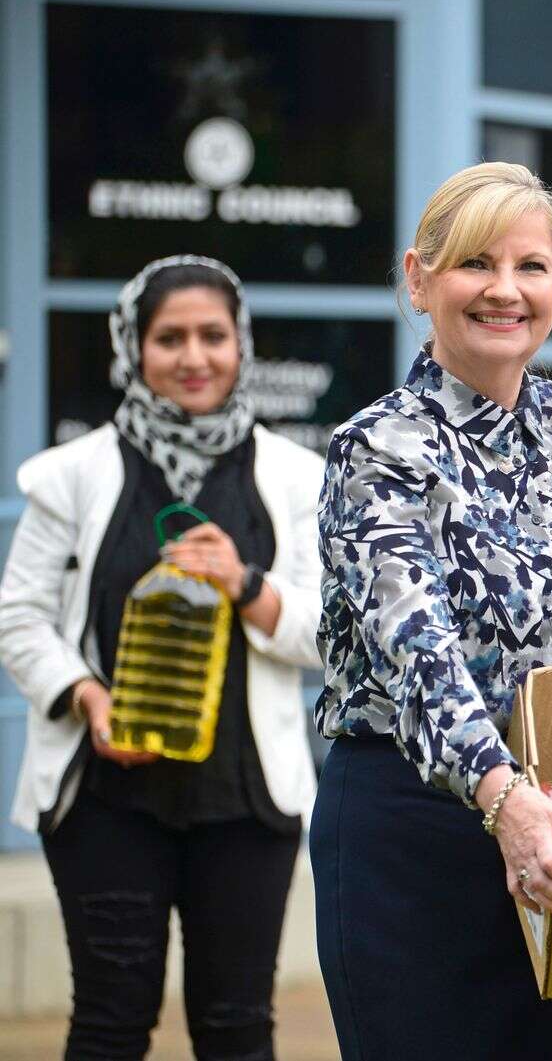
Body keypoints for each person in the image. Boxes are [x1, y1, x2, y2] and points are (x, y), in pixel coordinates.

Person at [311, 161, 552, 1060]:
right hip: (417, 836)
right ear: (419, 279)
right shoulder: (376, 445)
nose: (505, 291)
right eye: (475, 264)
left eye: (532, 267)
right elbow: (416, 649)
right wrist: (503, 796)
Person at [0, 255, 323, 1060]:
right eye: (168, 337)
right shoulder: (72, 474)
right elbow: (19, 618)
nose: (194, 356)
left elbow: (335, 631)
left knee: (237, 1027)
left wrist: (247, 584)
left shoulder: (292, 477)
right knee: (110, 1024)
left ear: (240, 344)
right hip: (108, 798)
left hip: (245, 803)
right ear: (133, 348)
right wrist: (85, 696)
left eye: (213, 335)